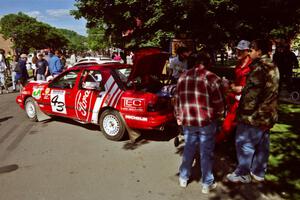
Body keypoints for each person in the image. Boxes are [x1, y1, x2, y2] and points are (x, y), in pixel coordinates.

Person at [226, 39, 280, 183]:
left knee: (244, 143)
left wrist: (242, 111)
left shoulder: (259, 68)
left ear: (259, 51)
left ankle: (243, 173)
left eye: (251, 50)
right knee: (263, 144)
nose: (249, 52)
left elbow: (251, 96)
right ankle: (258, 173)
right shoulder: (272, 65)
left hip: (255, 115)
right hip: (268, 113)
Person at [175, 49, 225, 194]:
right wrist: (219, 115)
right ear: (207, 62)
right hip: (206, 121)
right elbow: (219, 104)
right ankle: (207, 183)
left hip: (188, 120)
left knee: (189, 148)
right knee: (206, 152)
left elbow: (177, 100)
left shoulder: (182, 76)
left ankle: (183, 178)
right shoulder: (212, 78)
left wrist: (179, 116)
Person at [216, 40, 252, 143]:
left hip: (244, 98)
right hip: (234, 96)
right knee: (231, 119)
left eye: (241, 50)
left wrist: (241, 88)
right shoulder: (239, 64)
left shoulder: (252, 65)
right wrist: (229, 83)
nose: (238, 52)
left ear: (248, 51)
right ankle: (229, 140)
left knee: (230, 121)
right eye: (237, 50)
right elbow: (238, 80)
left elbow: (255, 84)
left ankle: (217, 141)